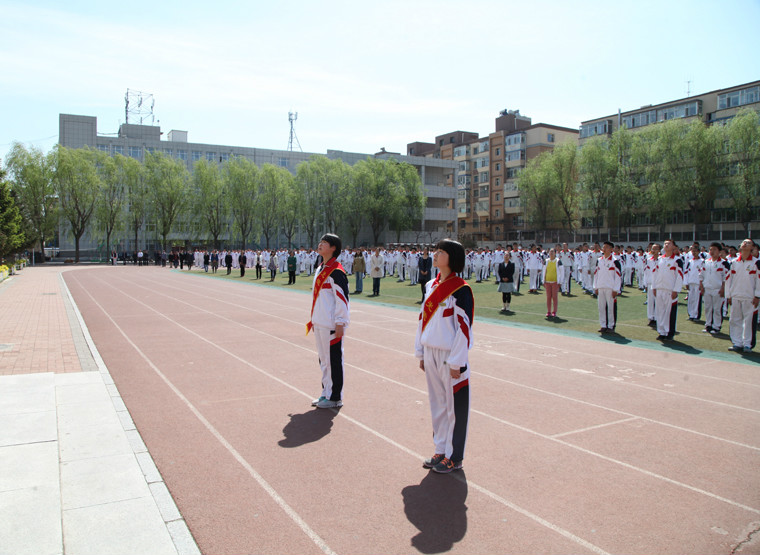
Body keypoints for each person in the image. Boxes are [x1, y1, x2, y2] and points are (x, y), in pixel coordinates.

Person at [415, 239, 473, 474]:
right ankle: (440, 449)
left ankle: (454, 455)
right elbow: (422, 319)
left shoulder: (461, 289)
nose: (435, 255)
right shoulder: (431, 285)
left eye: (441, 252)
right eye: (436, 251)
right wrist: (420, 351)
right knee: (437, 403)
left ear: (452, 258)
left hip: (450, 356)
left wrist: (457, 361)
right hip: (431, 351)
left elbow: (464, 328)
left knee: (454, 407)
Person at [307, 234, 350, 409]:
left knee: (333, 360)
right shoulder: (320, 268)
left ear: (333, 248)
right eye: (320, 242)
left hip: (332, 324)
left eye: (324, 243)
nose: (320, 244)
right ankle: (326, 392)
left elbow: (342, 299)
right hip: (319, 322)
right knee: (324, 361)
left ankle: (335, 396)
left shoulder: (337, 271)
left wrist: (340, 322)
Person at [725, 239, 760, 353]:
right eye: (743, 242)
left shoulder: (756, 263)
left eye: (748, 243)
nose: (745, 244)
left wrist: (757, 296)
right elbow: (729, 279)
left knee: (748, 321)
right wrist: (728, 295)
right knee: (734, 320)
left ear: (752, 248)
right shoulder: (734, 262)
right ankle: (737, 343)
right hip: (735, 295)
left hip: (750, 297)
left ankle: (747, 344)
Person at [652, 239, 684, 341]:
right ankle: (661, 332)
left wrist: (676, 290)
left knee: (669, 312)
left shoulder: (677, 260)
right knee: (660, 311)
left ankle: (669, 332)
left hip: (670, 290)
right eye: (665, 243)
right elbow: (655, 274)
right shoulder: (660, 259)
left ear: (674, 247)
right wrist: (654, 287)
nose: (666, 245)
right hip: (660, 289)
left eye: (669, 244)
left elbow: (680, 276)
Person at [700, 242, 729, 335]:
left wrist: (723, 289)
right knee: (708, 308)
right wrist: (701, 286)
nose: (712, 251)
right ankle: (708, 325)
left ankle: (716, 326)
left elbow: (726, 277)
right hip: (707, 288)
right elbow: (701, 275)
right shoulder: (706, 262)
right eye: (711, 249)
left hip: (718, 289)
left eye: (714, 250)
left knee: (717, 309)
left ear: (719, 251)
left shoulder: (723, 263)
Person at [593, 241, 621, 333]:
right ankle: (603, 325)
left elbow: (618, 276)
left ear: (611, 249)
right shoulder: (599, 260)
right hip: (601, 287)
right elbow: (596, 274)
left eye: (606, 247)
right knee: (601, 307)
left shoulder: (615, 261)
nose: (604, 249)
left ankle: (611, 326)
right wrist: (595, 287)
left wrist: (616, 289)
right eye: (603, 247)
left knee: (611, 308)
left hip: (610, 288)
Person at [542, 248, 564, 318]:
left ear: (555, 253)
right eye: (550, 252)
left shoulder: (558, 261)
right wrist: (543, 280)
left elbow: (562, 272)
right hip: (547, 282)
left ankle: (554, 311)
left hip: (555, 282)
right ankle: (548, 311)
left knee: (554, 297)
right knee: (548, 297)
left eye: (552, 252)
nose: (551, 253)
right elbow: (544, 271)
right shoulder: (546, 261)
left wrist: (560, 281)